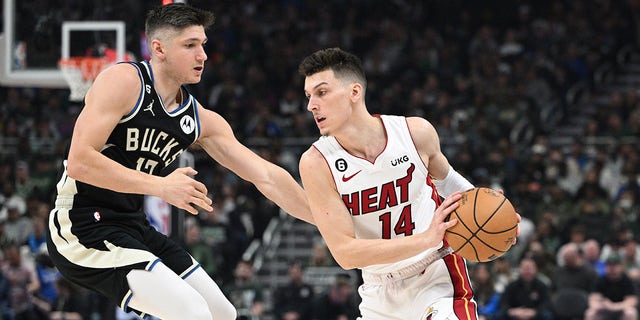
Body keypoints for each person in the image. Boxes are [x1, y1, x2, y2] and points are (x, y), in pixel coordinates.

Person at [45, 4, 313, 320]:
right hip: (81, 224)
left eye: (203, 45)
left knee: (222, 313)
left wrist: (328, 221)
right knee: (193, 313)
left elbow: (266, 175)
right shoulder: (124, 82)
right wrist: (161, 185)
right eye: (190, 45)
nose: (202, 56)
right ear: (159, 48)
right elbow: (79, 162)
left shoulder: (198, 118)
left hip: (132, 226)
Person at [297, 47, 520, 319]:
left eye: (321, 92)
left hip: (435, 276)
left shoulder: (415, 133)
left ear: (354, 92)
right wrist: (424, 239)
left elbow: (448, 181)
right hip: (378, 291)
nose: (311, 105)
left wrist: (496, 215)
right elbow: (345, 253)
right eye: (309, 96)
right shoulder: (316, 162)